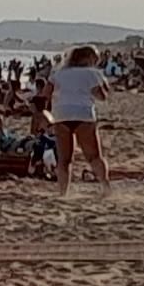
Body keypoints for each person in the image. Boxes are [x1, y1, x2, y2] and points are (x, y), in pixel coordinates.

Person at [48, 44, 111, 188]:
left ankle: (63, 192)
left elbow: (46, 93)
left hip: (62, 114)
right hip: (83, 114)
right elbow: (101, 96)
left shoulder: (59, 73)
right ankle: (105, 186)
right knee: (94, 156)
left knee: (65, 159)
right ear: (88, 58)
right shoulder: (92, 73)